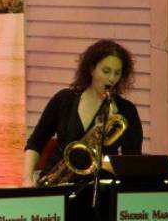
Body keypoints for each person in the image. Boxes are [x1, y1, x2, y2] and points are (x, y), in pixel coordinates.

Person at [22, 39, 143, 186]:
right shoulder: (64, 99)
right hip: (55, 183)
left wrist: (105, 163)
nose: (112, 79)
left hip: (98, 187)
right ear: (91, 69)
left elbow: (132, 162)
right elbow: (35, 143)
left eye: (117, 73)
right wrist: (27, 179)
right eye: (106, 71)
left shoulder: (126, 111)